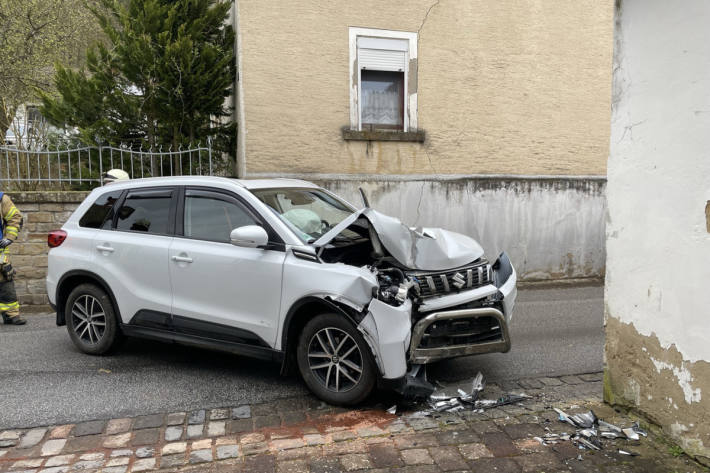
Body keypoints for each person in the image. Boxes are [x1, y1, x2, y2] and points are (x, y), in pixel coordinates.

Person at [0, 190, 25, 325]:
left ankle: (11, 315)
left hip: (0, 251)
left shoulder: (1, 199)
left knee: (5, 280)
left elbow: (15, 216)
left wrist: (9, 237)